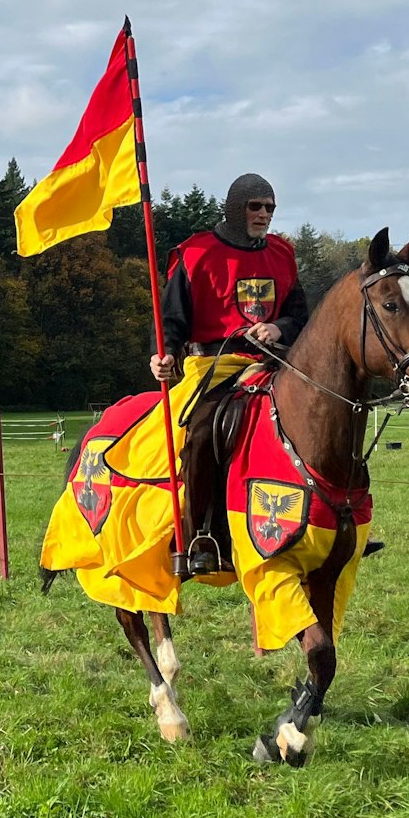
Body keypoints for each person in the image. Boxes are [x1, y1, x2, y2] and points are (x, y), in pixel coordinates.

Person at [141, 174, 311, 574]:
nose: (264, 214)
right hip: (213, 366)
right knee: (202, 433)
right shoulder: (196, 253)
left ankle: (331, 524)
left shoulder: (283, 254)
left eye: (270, 207)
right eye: (256, 206)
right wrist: (162, 354)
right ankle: (200, 536)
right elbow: (171, 318)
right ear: (235, 208)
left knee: (322, 416)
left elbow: (299, 315)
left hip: (272, 363)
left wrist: (279, 328)